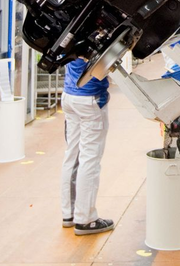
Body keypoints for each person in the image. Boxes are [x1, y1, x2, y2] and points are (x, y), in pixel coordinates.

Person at [60, 56, 115, 235]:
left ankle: (69, 213)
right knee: (90, 160)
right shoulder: (91, 31)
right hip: (89, 99)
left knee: (72, 156)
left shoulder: (67, 29)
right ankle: (86, 219)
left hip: (69, 96)